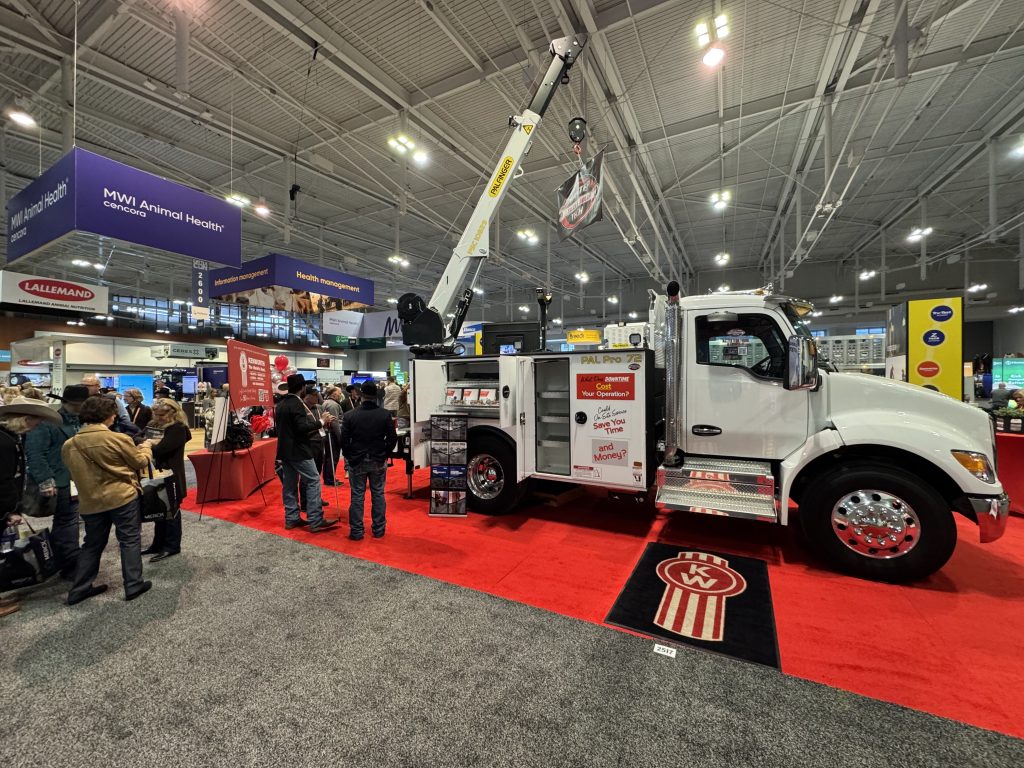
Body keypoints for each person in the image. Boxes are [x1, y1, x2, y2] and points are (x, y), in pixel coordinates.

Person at [62, 396, 153, 604]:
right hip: (122, 497)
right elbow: (139, 462)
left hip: (90, 501)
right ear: (107, 415)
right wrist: (146, 447)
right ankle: (133, 584)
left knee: (91, 544)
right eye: (113, 413)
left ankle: (80, 588)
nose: (115, 416)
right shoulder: (117, 439)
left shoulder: (70, 444)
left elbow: (71, 474)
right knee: (129, 540)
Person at [0, 397, 62, 617]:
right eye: (36, 422)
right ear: (25, 419)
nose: (36, 427)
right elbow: (5, 479)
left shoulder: (9, 438)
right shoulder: (6, 443)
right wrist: (10, 510)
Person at [25, 385, 88, 580]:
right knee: (67, 523)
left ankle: (60, 562)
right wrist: (45, 480)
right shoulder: (48, 423)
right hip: (61, 481)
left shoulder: (84, 421)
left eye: (81, 405)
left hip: (79, 480)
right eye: (74, 404)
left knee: (66, 523)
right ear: (65, 402)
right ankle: (69, 565)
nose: (78, 408)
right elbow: (35, 453)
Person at [274, 374, 338, 533]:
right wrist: (321, 422)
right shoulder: (296, 404)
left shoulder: (281, 404)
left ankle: (292, 518)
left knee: (289, 485)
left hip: (285, 451)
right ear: (302, 388)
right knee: (314, 480)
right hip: (299, 451)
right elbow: (301, 428)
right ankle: (315, 519)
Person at [341, 381, 397, 541]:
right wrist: (384, 452)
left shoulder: (350, 415)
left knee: (357, 495)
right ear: (376, 395)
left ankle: (357, 531)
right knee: (378, 493)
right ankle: (379, 529)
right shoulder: (385, 414)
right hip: (378, 459)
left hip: (357, 459)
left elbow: (344, 441)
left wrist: (349, 455)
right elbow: (392, 439)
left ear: (361, 395)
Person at [142, 398, 190, 562]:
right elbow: (138, 437)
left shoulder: (178, 428)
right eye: (156, 414)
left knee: (172, 512)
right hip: (158, 474)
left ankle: (172, 546)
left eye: (161, 414)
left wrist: (149, 444)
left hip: (172, 475)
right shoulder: (156, 424)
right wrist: (148, 442)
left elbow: (162, 450)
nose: (157, 417)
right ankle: (158, 543)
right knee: (160, 510)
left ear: (172, 413)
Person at [321, 387, 347, 487]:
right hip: (332, 434)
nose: (341, 395)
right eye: (339, 393)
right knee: (332, 457)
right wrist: (340, 437)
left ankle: (329, 479)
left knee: (329, 457)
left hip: (329, 433)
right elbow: (335, 423)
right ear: (334, 394)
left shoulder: (327, 402)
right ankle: (330, 480)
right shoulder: (333, 405)